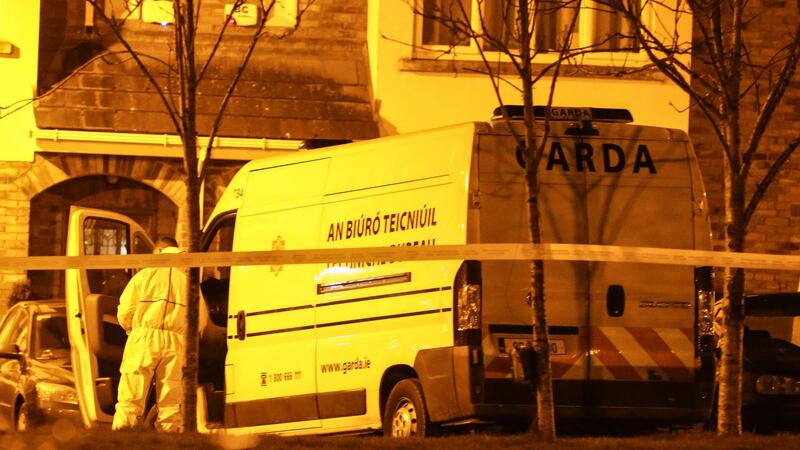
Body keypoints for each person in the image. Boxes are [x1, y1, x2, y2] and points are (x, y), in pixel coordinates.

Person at [112, 237, 207, 432]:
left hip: (143, 339)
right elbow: (201, 319)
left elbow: (124, 312)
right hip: (176, 342)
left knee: (130, 399)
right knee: (171, 404)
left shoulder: (144, 275)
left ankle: (121, 441)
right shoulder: (188, 281)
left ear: (160, 251)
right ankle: (169, 442)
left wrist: (133, 328)